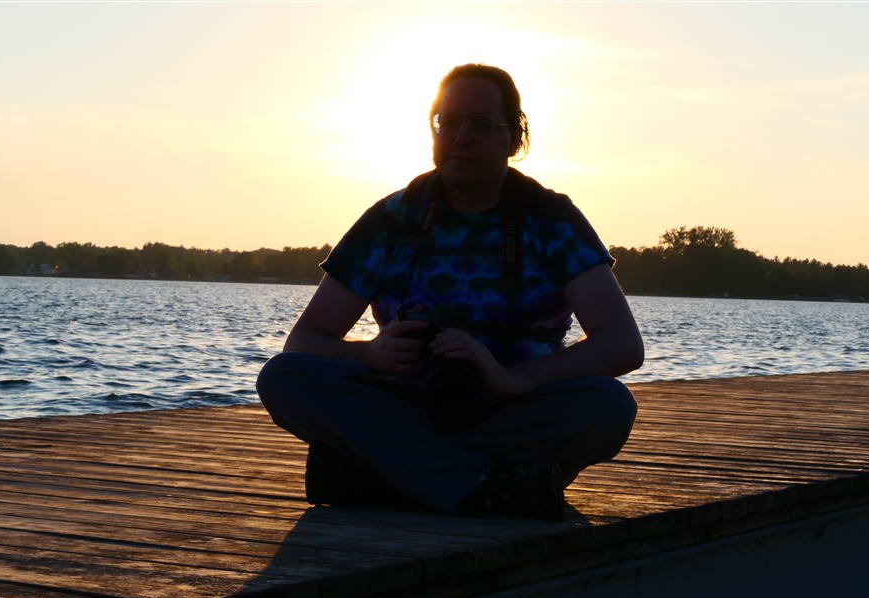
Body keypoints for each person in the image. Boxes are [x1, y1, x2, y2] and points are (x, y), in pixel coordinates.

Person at [257, 63, 644, 522]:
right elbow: (303, 341)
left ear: (515, 138)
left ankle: (387, 473)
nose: (461, 137)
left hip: (512, 409)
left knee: (609, 406)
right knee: (283, 377)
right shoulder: (391, 218)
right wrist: (370, 354)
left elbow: (622, 344)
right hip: (403, 407)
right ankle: (486, 486)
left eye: (480, 123)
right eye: (448, 122)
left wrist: (513, 377)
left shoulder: (552, 219)